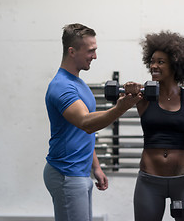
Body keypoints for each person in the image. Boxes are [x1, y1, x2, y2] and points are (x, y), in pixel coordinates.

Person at [43, 23, 142, 221]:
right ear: (72, 51)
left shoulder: (77, 83)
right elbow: (85, 122)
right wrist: (120, 108)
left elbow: (82, 132)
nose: (95, 56)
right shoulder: (62, 86)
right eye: (91, 51)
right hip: (67, 173)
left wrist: (95, 166)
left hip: (78, 171)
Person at [126, 31, 184, 221]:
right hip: (149, 181)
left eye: (160, 62)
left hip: (183, 181)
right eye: (152, 61)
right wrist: (128, 92)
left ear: (176, 65)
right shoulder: (142, 98)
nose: (154, 66)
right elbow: (118, 108)